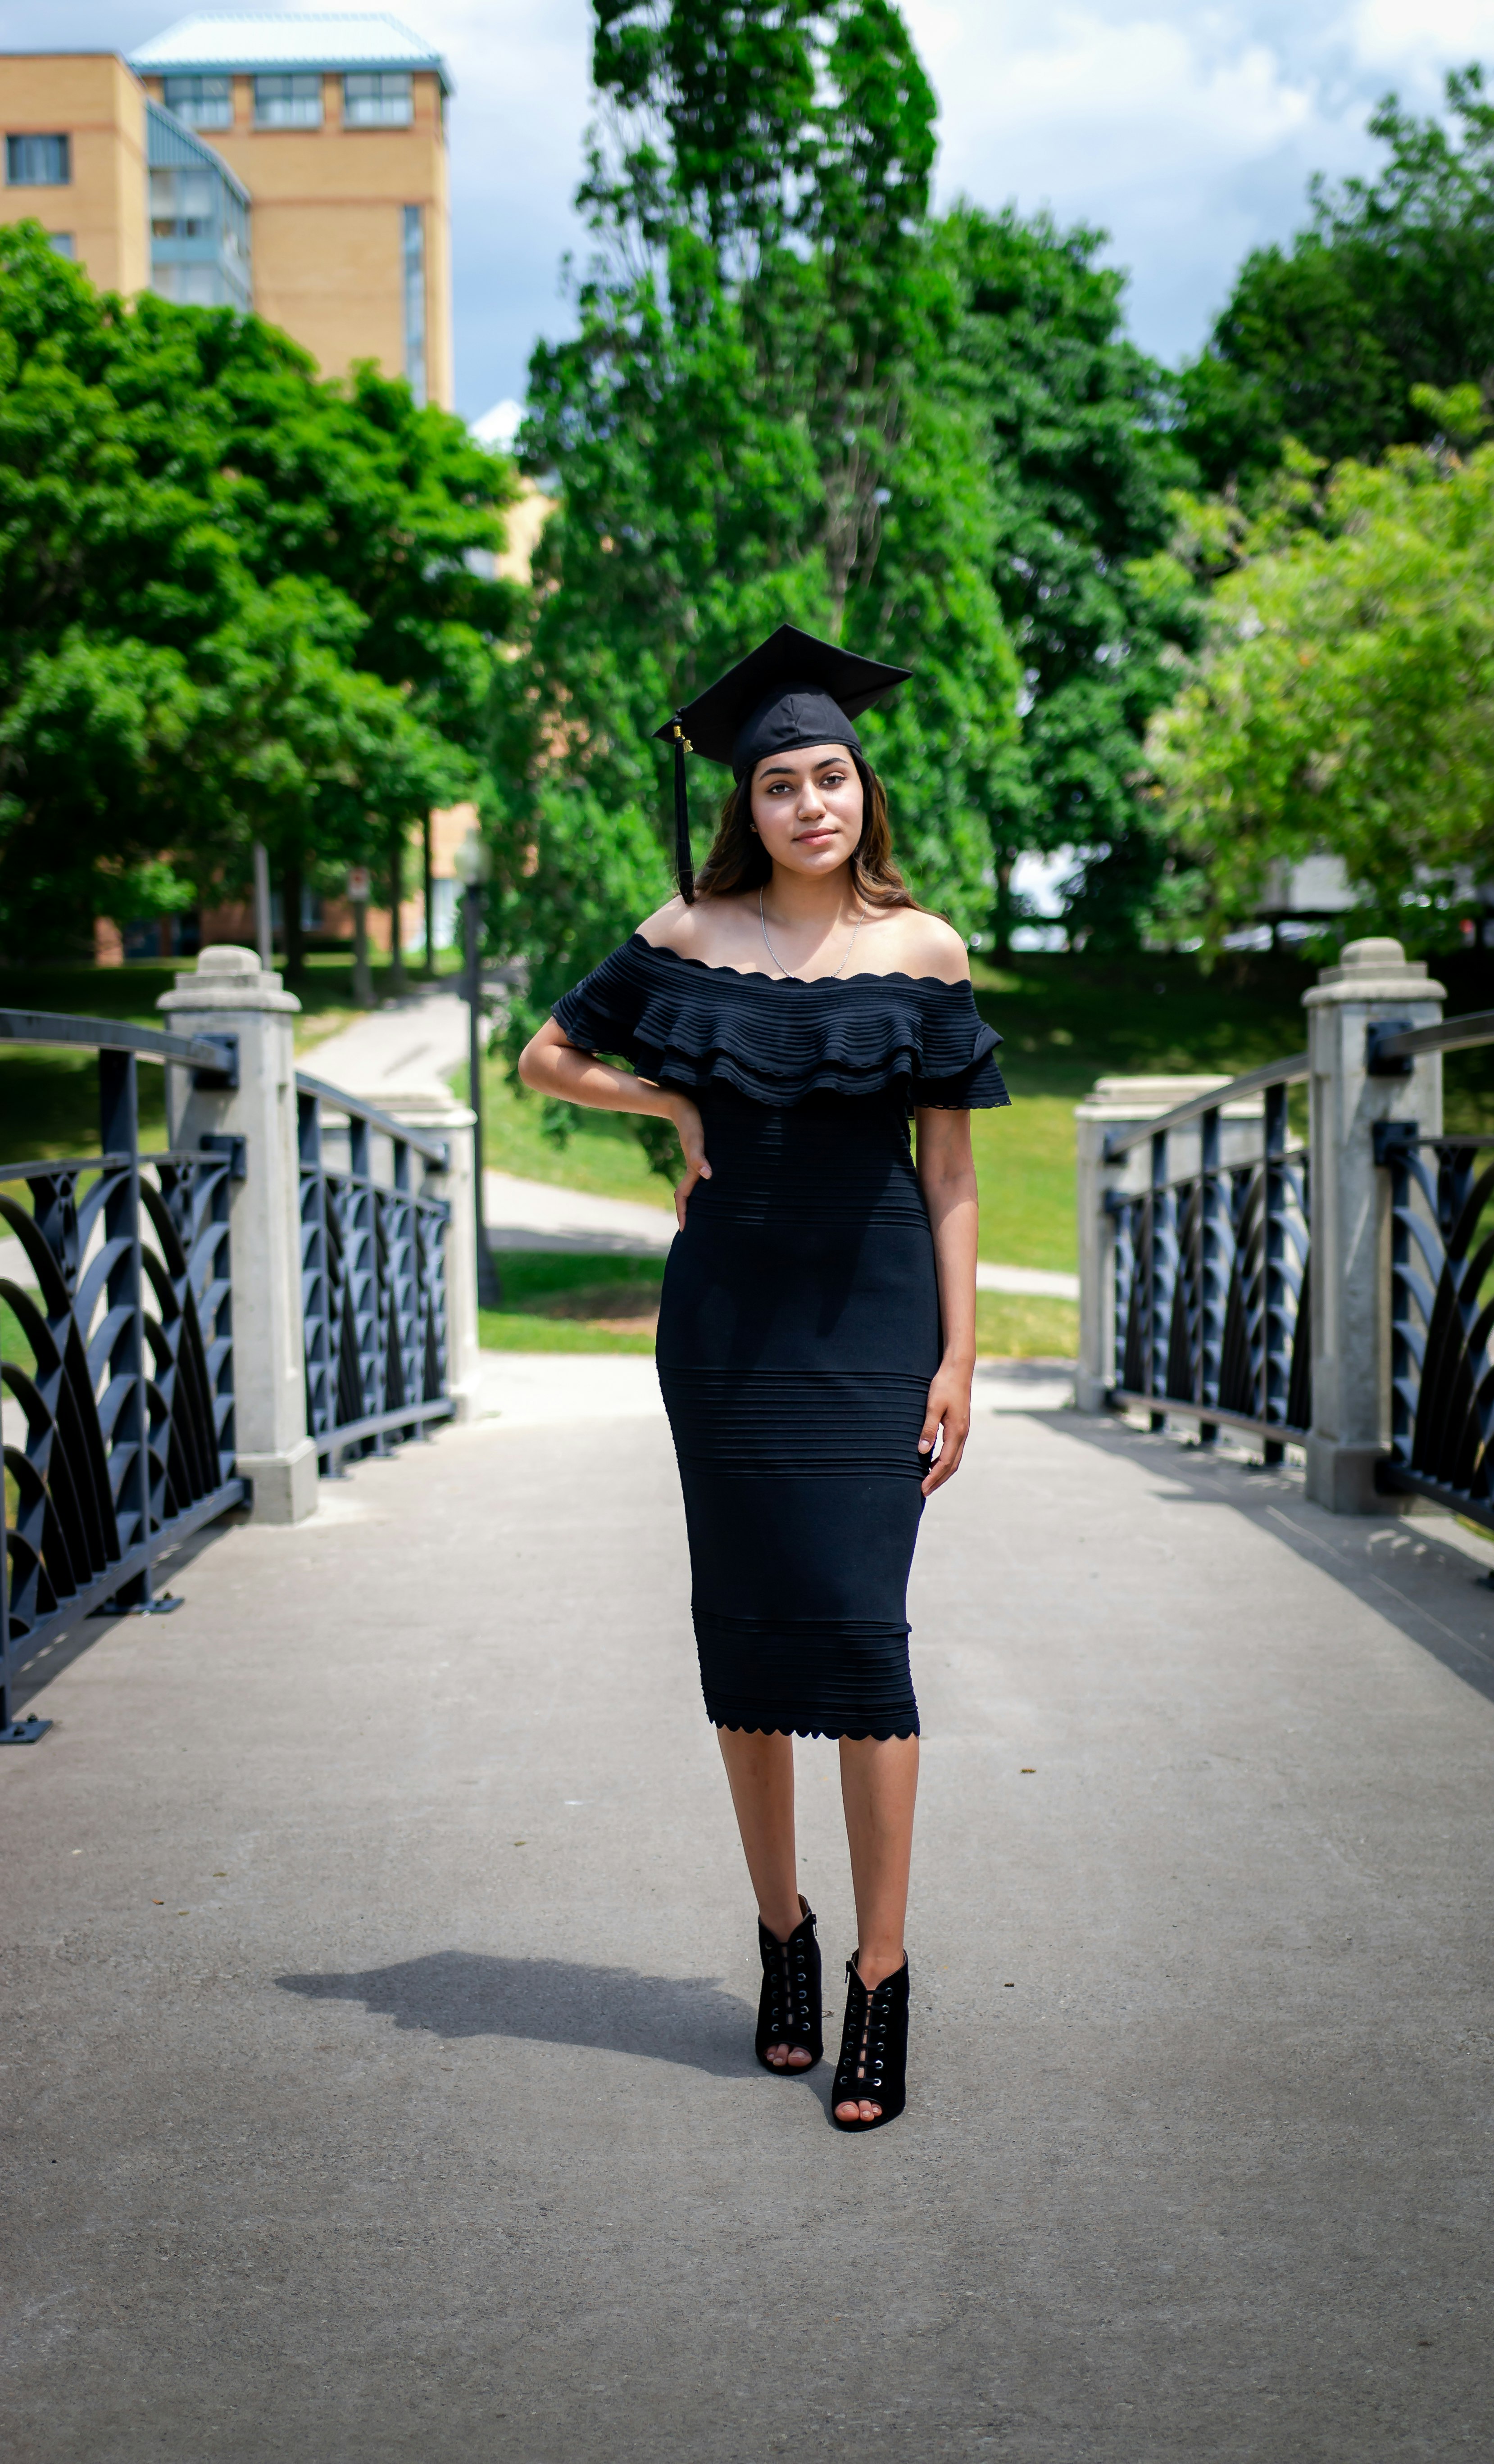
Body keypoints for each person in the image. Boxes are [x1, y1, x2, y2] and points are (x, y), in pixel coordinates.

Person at [517, 625, 1008, 2131]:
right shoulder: (686, 934)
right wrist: (670, 1097)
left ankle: (880, 1974)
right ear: (751, 801)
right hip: (725, 1329)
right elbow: (545, 1058)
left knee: (863, 1644)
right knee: (744, 1650)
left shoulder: (925, 952)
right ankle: (780, 1938)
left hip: (869, 1329)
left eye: (833, 777)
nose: (813, 804)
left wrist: (960, 1355)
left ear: (865, 789)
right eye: (784, 783)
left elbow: (948, 1165)